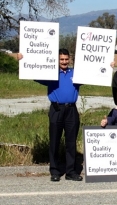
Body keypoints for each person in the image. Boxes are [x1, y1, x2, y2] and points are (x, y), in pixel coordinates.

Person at [35, 48, 83, 182]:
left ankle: (71, 171)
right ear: (57, 60)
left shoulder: (75, 73)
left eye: (66, 59)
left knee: (71, 142)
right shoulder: (50, 73)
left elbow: (94, 74)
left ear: (70, 59)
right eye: (61, 59)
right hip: (56, 110)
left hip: (71, 110)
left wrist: (108, 66)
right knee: (54, 141)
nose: (64, 62)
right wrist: (23, 60)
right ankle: (55, 171)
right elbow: (33, 72)